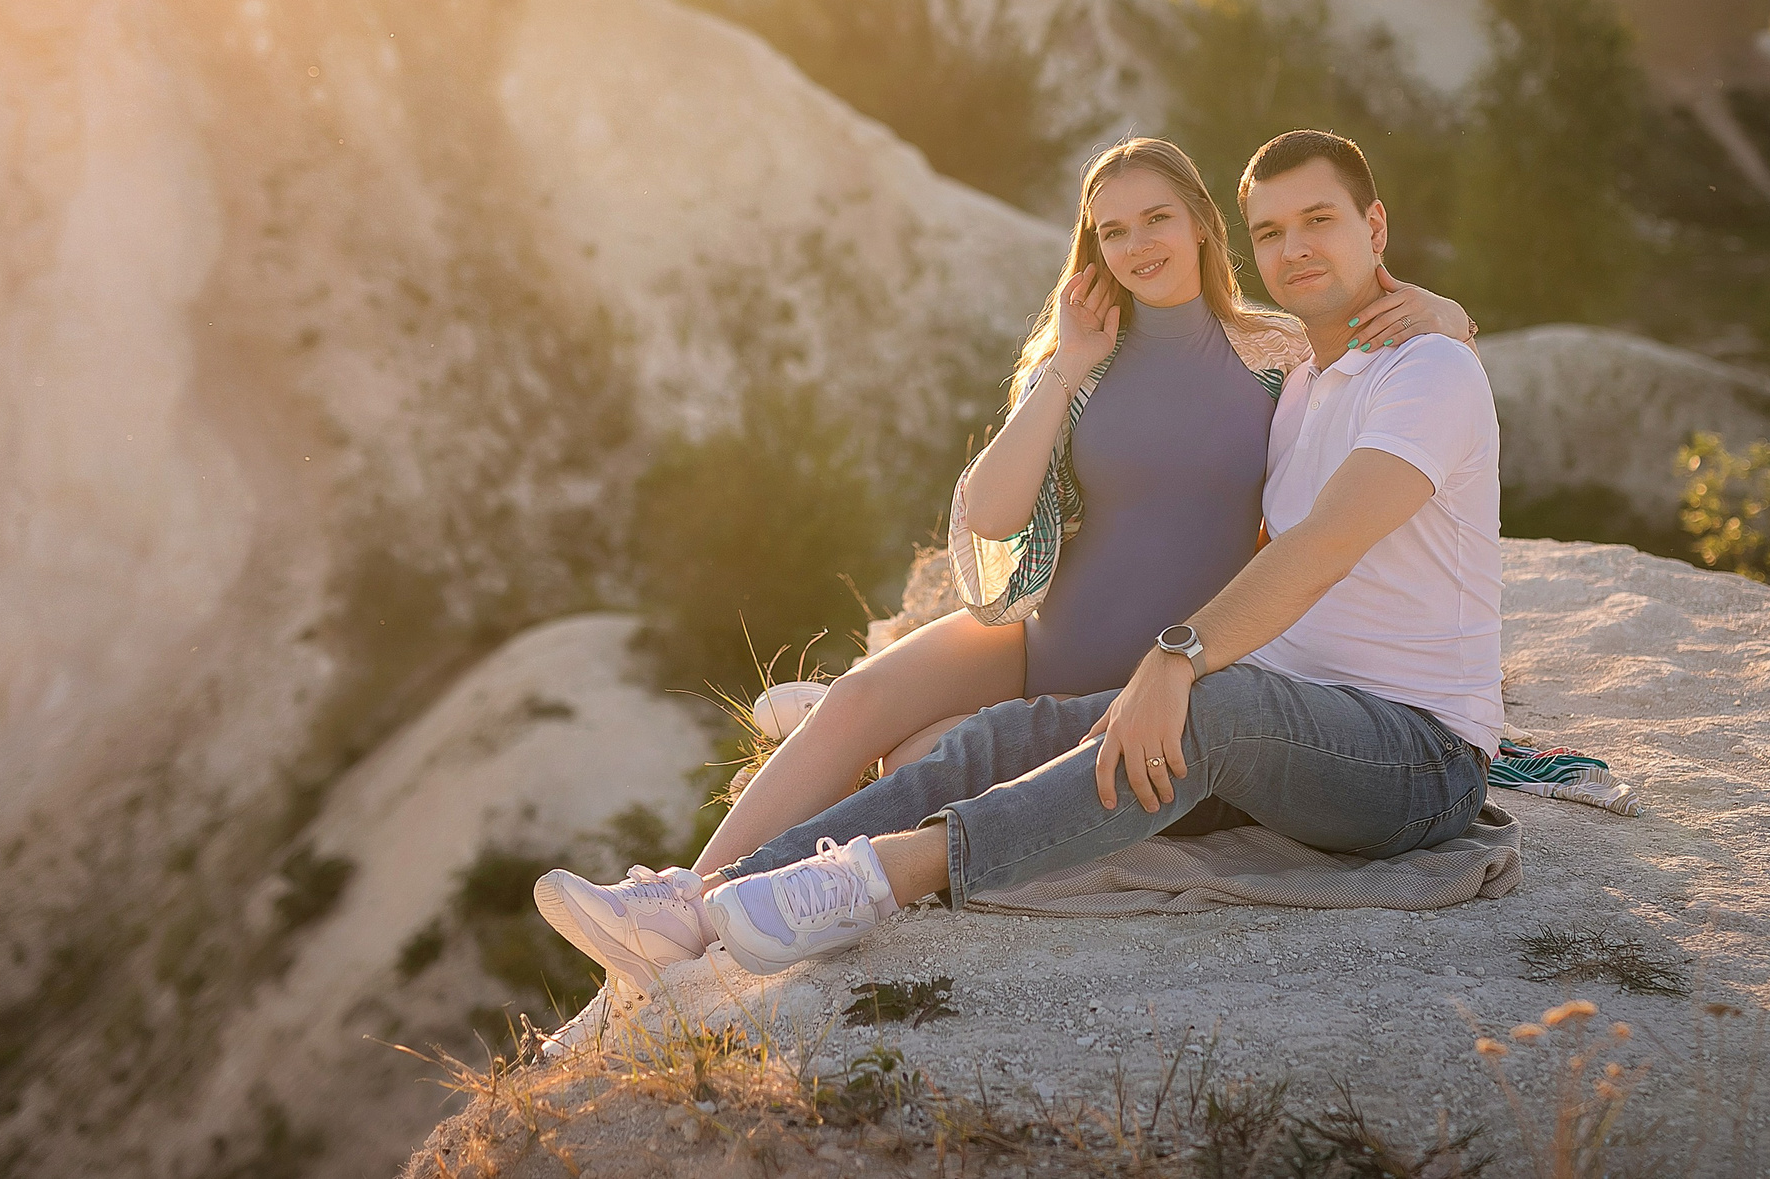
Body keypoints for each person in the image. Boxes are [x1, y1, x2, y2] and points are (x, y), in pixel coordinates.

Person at [537, 130, 1501, 992]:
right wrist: (1066, 369)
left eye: (1158, 219)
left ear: (1206, 228)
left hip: (1260, 691)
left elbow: (1348, 495)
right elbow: (993, 515)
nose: (1139, 244)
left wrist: (1448, 317)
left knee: (993, 742)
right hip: (1114, 647)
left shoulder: (1294, 359)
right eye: (1113, 230)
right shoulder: (1292, 378)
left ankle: (873, 873)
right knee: (921, 725)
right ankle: (697, 899)